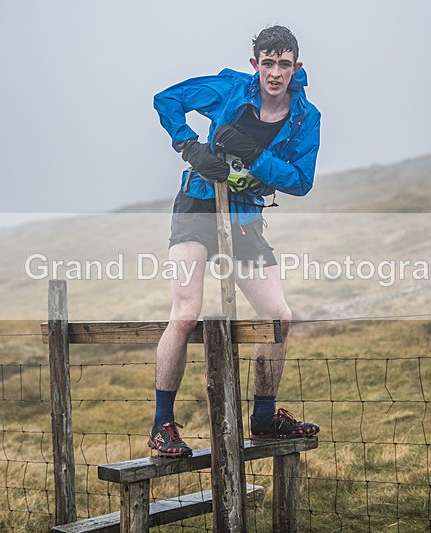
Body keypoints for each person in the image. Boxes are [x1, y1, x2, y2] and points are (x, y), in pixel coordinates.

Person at [149, 25, 321, 457]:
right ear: (255, 65)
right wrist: (190, 147)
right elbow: (166, 99)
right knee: (186, 311)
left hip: (245, 218)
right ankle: (161, 425)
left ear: (296, 67)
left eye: (284, 64)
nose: (275, 73)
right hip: (199, 204)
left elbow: (301, 181)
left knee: (278, 316)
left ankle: (263, 418)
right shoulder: (230, 87)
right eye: (268, 63)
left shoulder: (306, 117)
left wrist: (253, 155)